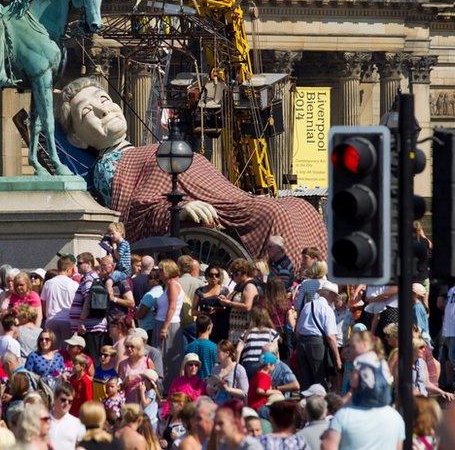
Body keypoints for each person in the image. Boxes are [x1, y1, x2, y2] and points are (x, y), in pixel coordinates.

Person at [56, 79, 326, 259]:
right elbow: (132, 210)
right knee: (273, 213)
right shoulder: (107, 166)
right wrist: (176, 210)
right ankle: (286, 281)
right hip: (201, 210)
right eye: (87, 112)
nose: (105, 111)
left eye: (104, 100)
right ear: (77, 140)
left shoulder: (147, 150)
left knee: (299, 206)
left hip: (227, 200)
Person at [295, 281, 341, 389]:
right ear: (330, 294)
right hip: (317, 344)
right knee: (319, 378)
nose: (334, 299)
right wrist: (337, 358)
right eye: (334, 295)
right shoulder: (327, 309)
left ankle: (305, 403)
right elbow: (330, 336)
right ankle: (320, 404)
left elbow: (297, 330)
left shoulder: (307, 306)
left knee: (305, 380)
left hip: (302, 342)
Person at [155, 259, 184, 384]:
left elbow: (172, 307)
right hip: (162, 322)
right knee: (161, 357)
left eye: (161, 270)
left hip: (168, 324)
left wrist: (164, 327)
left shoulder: (173, 285)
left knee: (165, 358)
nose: (159, 273)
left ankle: (166, 386)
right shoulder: (168, 285)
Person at [41, 255, 80, 344]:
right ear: (69, 269)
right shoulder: (74, 285)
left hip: (51, 320)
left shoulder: (48, 283)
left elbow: (44, 303)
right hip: (68, 320)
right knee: (67, 349)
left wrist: (47, 315)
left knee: (53, 349)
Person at [221, 259, 258, 343]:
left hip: (242, 329)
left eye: (234, 274)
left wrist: (229, 303)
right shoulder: (239, 285)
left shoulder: (249, 286)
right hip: (234, 329)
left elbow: (247, 306)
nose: (232, 278)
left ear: (242, 272)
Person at [193, 264, 230, 342]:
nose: (214, 277)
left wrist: (218, 309)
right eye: (211, 275)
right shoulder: (199, 291)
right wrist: (203, 312)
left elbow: (229, 308)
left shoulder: (225, 291)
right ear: (206, 276)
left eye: (217, 275)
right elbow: (193, 311)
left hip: (220, 326)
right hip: (204, 326)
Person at [209, 339, 248, 404]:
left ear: (227, 353)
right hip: (217, 406)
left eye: (218, 352)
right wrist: (217, 380)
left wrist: (228, 389)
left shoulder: (239, 369)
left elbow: (244, 392)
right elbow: (209, 391)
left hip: (232, 407)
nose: (216, 354)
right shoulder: (215, 369)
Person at [49, 383, 86, 450]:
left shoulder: (77, 424)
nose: (66, 403)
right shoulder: (43, 419)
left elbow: (81, 447)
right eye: (63, 400)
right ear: (54, 398)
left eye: (70, 401)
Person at [184, 314, 217, 380]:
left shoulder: (189, 346)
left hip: (192, 384)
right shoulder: (214, 347)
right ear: (209, 327)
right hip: (208, 384)